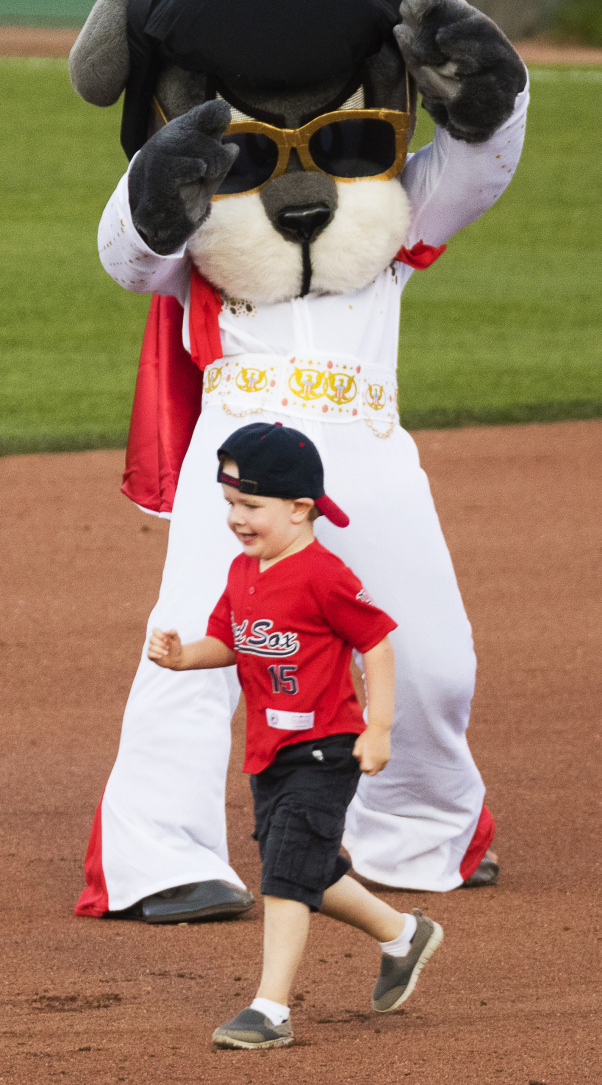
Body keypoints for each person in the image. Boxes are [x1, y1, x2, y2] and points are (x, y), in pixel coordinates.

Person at [148, 421, 443, 1049]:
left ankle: (270, 1009)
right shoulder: (241, 571)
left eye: (251, 505)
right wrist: (182, 657)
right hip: (268, 752)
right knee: (306, 867)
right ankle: (403, 934)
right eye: (230, 504)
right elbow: (228, 643)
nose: (237, 518)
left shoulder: (324, 574)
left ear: (300, 507)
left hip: (326, 746)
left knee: (284, 874)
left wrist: (379, 726)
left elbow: (378, 642)